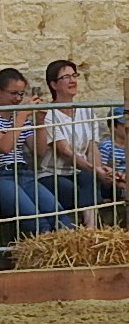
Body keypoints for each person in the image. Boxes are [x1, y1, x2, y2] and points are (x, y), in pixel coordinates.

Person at [0, 68, 70, 237]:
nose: (18, 99)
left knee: (57, 213)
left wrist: (40, 122)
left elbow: (39, 150)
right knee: (35, 219)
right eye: (13, 93)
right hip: (0, 175)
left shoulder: (19, 119)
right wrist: (23, 115)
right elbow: (5, 146)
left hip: (24, 174)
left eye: (21, 94)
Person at [39, 60, 109, 226]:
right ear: (54, 85)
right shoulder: (48, 114)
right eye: (66, 77)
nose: (73, 80)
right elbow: (65, 152)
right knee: (77, 189)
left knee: (91, 179)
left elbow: (93, 148)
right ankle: (88, 230)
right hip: (53, 173)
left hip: (82, 172)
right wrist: (97, 172)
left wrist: (98, 169)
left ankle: (90, 230)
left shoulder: (86, 110)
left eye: (74, 75)